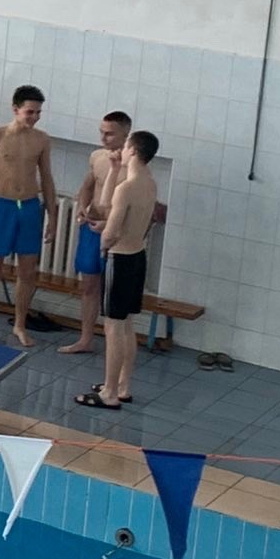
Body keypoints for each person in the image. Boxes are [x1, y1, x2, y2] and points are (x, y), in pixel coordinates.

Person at [75, 131, 160, 411]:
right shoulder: (149, 183)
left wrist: (103, 241)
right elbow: (106, 206)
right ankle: (123, 386)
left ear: (132, 151)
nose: (121, 151)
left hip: (120, 259)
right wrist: (113, 170)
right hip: (138, 257)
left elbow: (110, 229)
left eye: (125, 147)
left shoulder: (127, 187)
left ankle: (109, 393)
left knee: (113, 327)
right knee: (126, 325)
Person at [0, 85, 57, 347]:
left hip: (29, 206)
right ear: (15, 109)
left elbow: (46, 178)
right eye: (30, 112)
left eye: (38, 112)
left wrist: (53, 217)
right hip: (1, 205)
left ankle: (20, 324)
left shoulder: (41, 140)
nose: (35, 117)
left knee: (27, 271)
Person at [60, 111, 132, 355]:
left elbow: (135, 209)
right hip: (91, 229)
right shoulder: (97, 156)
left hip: (117, 235)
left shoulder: (134, 168)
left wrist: (110, 226)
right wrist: (82, 206)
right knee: (89, 286)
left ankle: (117, 345)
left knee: (114, 291)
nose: (103, 138)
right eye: (101, 132)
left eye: (109, 134)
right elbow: (87, 186)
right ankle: (86, 339)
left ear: (126, 134)